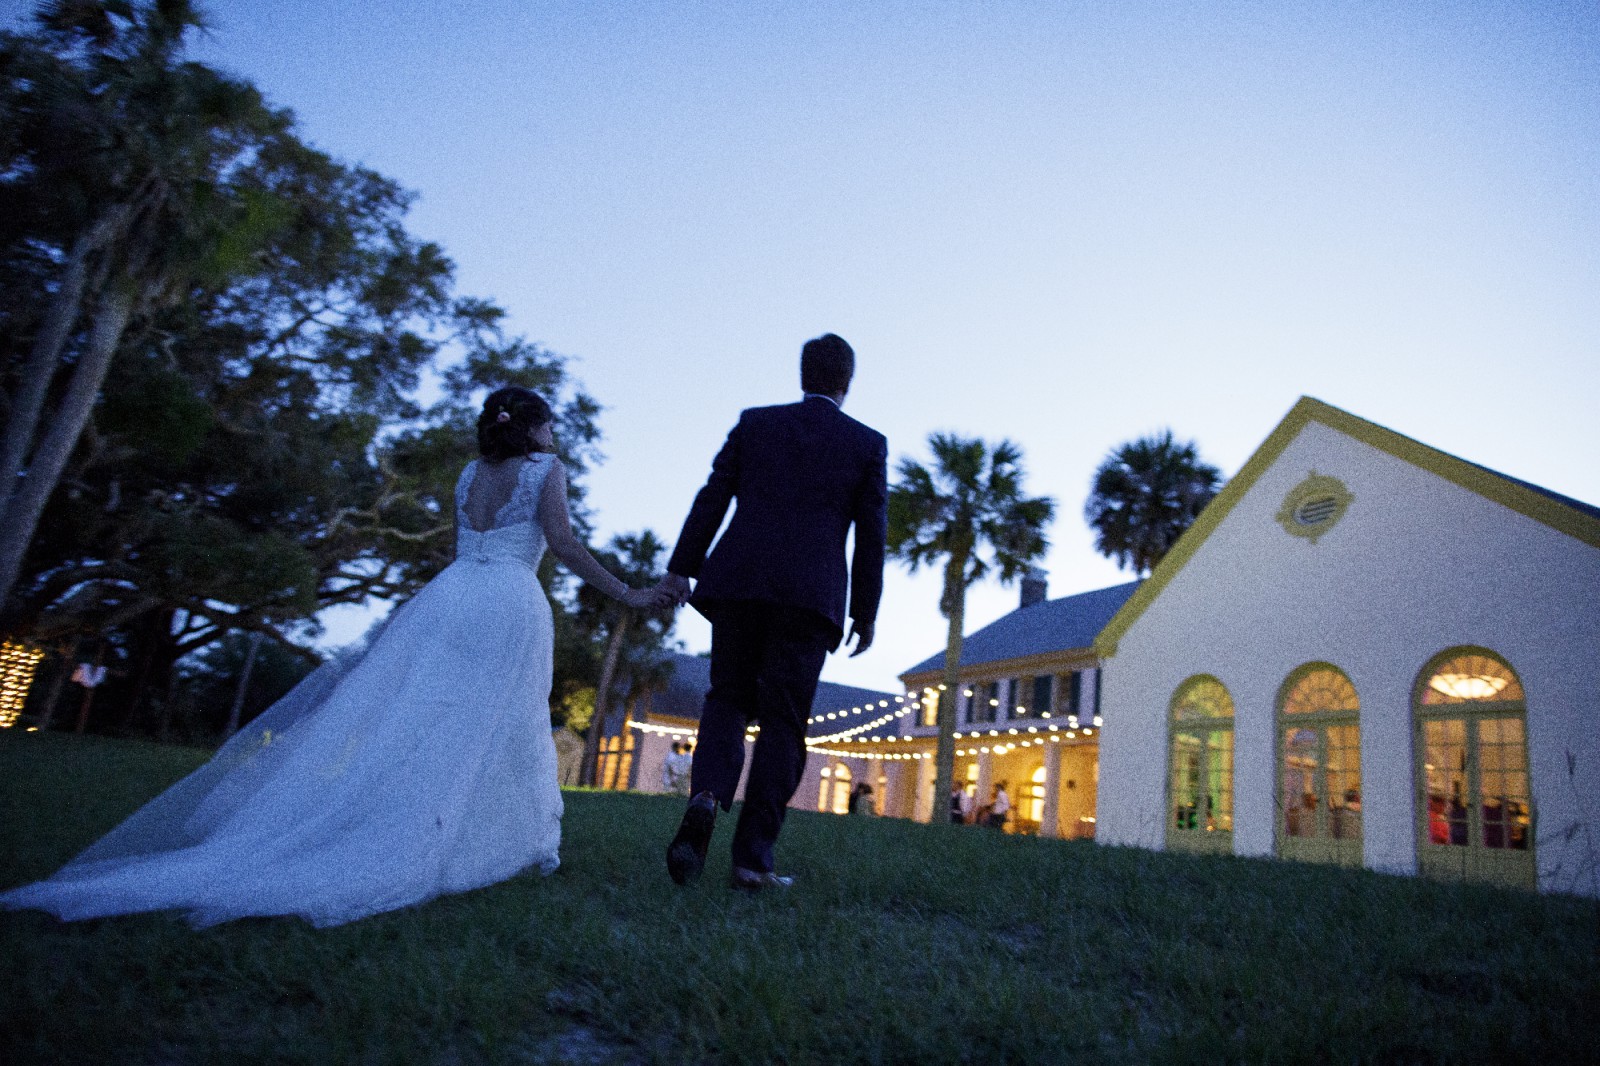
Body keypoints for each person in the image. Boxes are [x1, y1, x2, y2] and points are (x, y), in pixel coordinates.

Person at [0, 387, 671, 928]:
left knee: (425, 714)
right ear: (534, 428)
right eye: (549, 424)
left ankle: (462, 824)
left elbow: (463, 546)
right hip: (508, 605)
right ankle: (505, 840)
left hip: (451, 597)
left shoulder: (470, 473)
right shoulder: (545, 469)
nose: (554, 435)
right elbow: (565, 544)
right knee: (507, 720)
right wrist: (631, 594)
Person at [661, 333, 888, 892]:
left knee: (728, 698)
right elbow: (871, 537)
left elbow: (712, 495)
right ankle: (752, 861)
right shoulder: (866, 444)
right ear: (847, 381)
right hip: (809, 599)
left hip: (738, 583)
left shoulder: (755, 423)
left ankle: (708, 794)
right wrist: (865, 611)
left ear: (803, 374)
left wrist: (681, 567)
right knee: (784, 723)